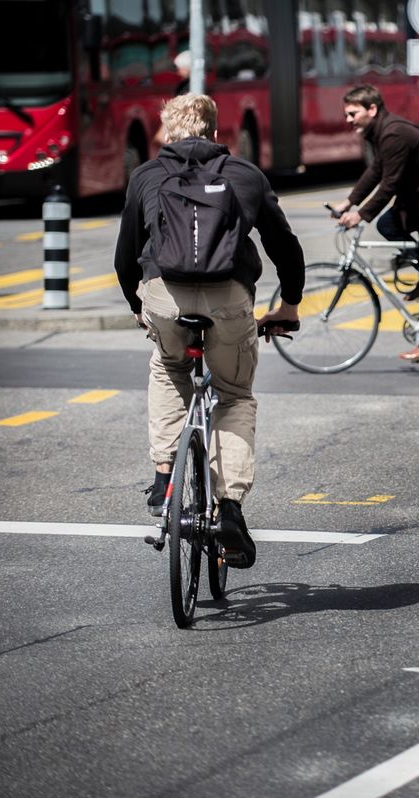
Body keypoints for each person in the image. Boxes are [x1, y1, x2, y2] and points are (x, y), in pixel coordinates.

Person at [114, 93, 304, 568]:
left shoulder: (147, 175)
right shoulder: (245, 175)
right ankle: (230, 508)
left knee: (168, 367)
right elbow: (284, 245)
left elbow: (125, 255)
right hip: (229, 298)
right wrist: (289, 304)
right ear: (217, 132)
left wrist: (138, 306)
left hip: (165, 296)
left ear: (166, 132)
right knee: (234, 396)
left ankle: (164, 476)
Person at [331, 84, 419, 362]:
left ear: (372, 109)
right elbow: (376, 171)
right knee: (387, 225)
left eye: (353, 113)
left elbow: (389, 183)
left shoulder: (393, 133)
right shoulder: (382, 131)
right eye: (346, 114)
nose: (349, 120)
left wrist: (360, 215)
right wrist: (348, 202)